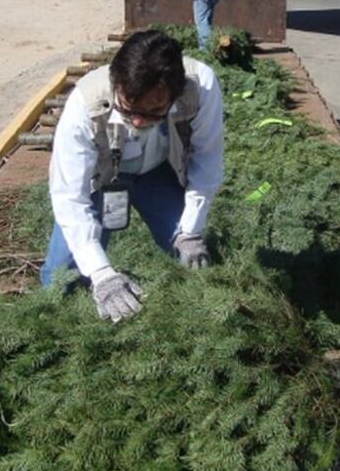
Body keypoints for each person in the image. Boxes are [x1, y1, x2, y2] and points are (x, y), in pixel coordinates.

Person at [40, 30, 224, 323]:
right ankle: (55, 322)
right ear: (116, 83)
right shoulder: (85, 104)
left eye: (154, 111)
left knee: (192, 256)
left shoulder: (200, 87)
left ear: (174, 94)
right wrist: (102, 274)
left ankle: (198, 319)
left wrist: (190, 230)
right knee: (62, 274)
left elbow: (207, 161)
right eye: (128, 109)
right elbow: (69, 196)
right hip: (102, 179)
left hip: (159, 173)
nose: (137, 121)